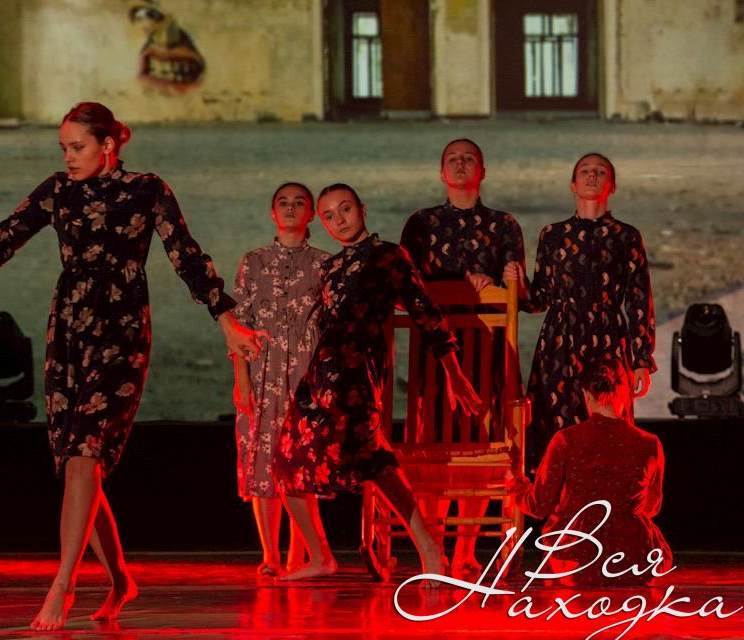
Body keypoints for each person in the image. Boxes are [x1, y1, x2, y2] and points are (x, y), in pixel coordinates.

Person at [0, 102, 267, 630]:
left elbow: (186, 255)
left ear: (108, 145)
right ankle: (120, 580)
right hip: (69, 331)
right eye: (64, 148)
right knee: (78, 463)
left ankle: (64, 583)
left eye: (78, 147)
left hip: (122, 330)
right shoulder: (59, 190)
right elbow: (7, 234)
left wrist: (225, 318)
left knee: (85, 455)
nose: (68, 157)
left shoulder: (147, 190)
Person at [272, 183, 481, 583]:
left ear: (362, 209)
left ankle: (428, 549)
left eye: (345, 209)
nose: (339, 220)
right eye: (329, 215)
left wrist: (453, 373)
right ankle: (320, 556)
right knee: (285, 457)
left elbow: (424, 312)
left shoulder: (388, 256)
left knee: (374, 461)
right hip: (320, 375)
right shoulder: (330, 267)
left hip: (357, 374)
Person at [399, 138, 529, 575]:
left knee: (480, 446)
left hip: (487, 352)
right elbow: (408, 285)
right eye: (452, 159)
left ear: (483, 170)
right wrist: (459, 281)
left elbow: (520, 295)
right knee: (432, 448)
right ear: (441, 172)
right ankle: (434, 547)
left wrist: (508, 280)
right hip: (435, 357)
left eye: (468, 158)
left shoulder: (504, 225)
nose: (460, 164)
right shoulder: (421, 223)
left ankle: (465, 550)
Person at [506, 153, 655, 471]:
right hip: (560, 342)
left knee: (609, 430)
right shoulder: (552, 235)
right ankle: (553, 499)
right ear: (573, 184)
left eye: (600, 172)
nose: (592, 176)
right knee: (556, 429)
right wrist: (519, 285)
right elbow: (539, 300)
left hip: (608, 341)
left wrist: (642, 359)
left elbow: (639, 299)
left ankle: (607, 501)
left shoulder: (627, 236)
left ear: (612, 186)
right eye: (585, 171)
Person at [232, 183, 328, 576]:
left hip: (305, 374)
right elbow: (239, 324)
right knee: (262, 460)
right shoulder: (253, 261)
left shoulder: (324, 264)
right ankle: (270, 555)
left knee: (301, 465)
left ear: (311, 214)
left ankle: (299, 554)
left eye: (299, 203)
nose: (290, 208)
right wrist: (241, 379)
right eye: (283, 203)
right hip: (262, 371)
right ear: (273, 213)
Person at [507, 358, 671, 586]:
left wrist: (515, 484)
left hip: (577, 561)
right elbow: (651, 506)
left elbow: (539, 505)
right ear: (627, 394)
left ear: (585, 394)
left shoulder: (567, 440)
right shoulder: (649, 443)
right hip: (635, 562)